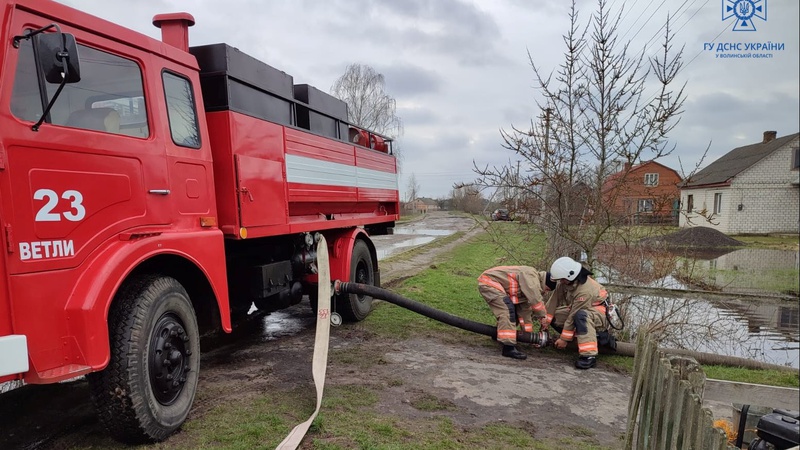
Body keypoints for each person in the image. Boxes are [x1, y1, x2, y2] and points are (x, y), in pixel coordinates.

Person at [477, 265, 557, 360]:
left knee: (514, 313)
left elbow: (525, 314)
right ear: (544, 283)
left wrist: (530, 337)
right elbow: (535, 298)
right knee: (507, 310)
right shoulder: (531, 274)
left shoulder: (528, 289)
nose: (546, 292)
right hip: (489, 282)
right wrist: (543, 316)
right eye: (547, 289)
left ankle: (499, 336)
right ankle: (508, 347)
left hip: (494, 285)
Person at [544, 256, 610, 370]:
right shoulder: (566, 282)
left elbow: (573, 315)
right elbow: (553, 302)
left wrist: (564, 339)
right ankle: (577, 340)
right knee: (557, 316)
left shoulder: (585, 290)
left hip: (599, 314)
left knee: (581, 316)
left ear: (571, 275)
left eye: (562, 279)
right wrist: (544, 321)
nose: (560, 282)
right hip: (580, 310)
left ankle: (589, 355)